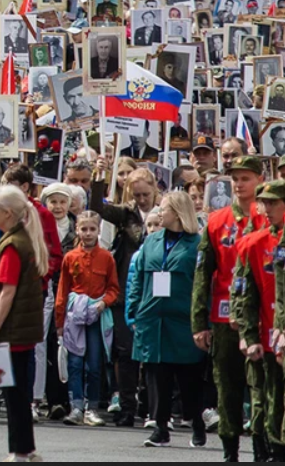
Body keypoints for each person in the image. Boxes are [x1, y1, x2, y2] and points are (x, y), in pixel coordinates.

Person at [192, 155, 268, 462]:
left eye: (245, 178)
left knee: (261, 386)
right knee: (227, 386)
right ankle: (230, 449)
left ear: (259, 181)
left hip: (261, 317)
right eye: (234, 178)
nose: (238, 184)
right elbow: (202, 275)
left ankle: (264, 446)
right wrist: (199, 322)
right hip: (223, 317)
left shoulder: (271, 219)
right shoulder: (215, 221)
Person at [0, 185, 50, 462]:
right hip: (18, 330)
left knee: (14, 394)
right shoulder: (16, 241)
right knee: (17, 393)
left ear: (8, 213)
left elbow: (7, 292)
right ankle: (26, 448)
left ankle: (19, 451)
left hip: (11, 332)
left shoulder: (12, 246)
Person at [127, 189, 205, 450]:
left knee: (188, 378)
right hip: (152, 318)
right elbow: (137, 277)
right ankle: (161, 426)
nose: (160, 213)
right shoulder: (151, 241)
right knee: (156, 377)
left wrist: (202, 319)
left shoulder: (197, 244)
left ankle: (196, 421)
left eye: (165, 209)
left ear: (179, 212)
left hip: (182, 319)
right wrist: (133, 311)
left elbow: (204, 283)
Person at [54, 211, 119, 427]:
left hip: (96, 315)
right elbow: (62, 290)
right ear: (78, 230)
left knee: (94, 363)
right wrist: (60, 322)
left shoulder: (107, 257)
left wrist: (104, 303)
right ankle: (76, 406)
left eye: (92, 229)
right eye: (84, 229)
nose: (88, 233)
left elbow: (113, 288)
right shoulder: (70, 257)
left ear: (99, 230)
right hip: (75, 315)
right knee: (74, 362)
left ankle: (92, 407)